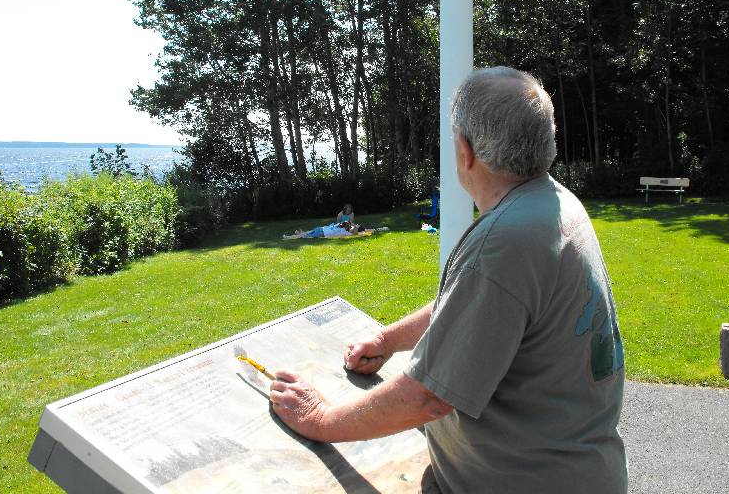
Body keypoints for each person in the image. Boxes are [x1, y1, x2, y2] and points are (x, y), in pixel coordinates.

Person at [269, 67, 627, 493]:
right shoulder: (552, 204)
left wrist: (320, 419)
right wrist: (386, 340)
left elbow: (428, 397)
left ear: (464, 151)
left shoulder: (505, 242)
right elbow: (472, 306)